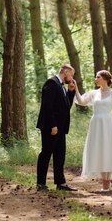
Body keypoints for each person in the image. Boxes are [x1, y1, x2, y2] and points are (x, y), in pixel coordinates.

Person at [73, 70, 112, 191]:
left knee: (108, 151)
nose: (96, 79)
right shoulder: (94, 93)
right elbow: (81, 101)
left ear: (105, 79)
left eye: (98, 77)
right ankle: (104, 181)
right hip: (96, 124)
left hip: (108, 124)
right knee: (99, 150)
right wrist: (76, 89)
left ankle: (107, 181)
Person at [36, 63, 77, 191]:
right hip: (51, 127)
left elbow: (65, 107)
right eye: (71, 75)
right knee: (46, 154)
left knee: (60, 155)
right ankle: (40, 184)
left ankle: (61, 183)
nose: (72, 78)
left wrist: (71, 92)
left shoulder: (62, 86)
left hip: (61, 128)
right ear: (65, 72)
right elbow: (47, 106)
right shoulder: (51, 83)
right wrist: (53, 125)